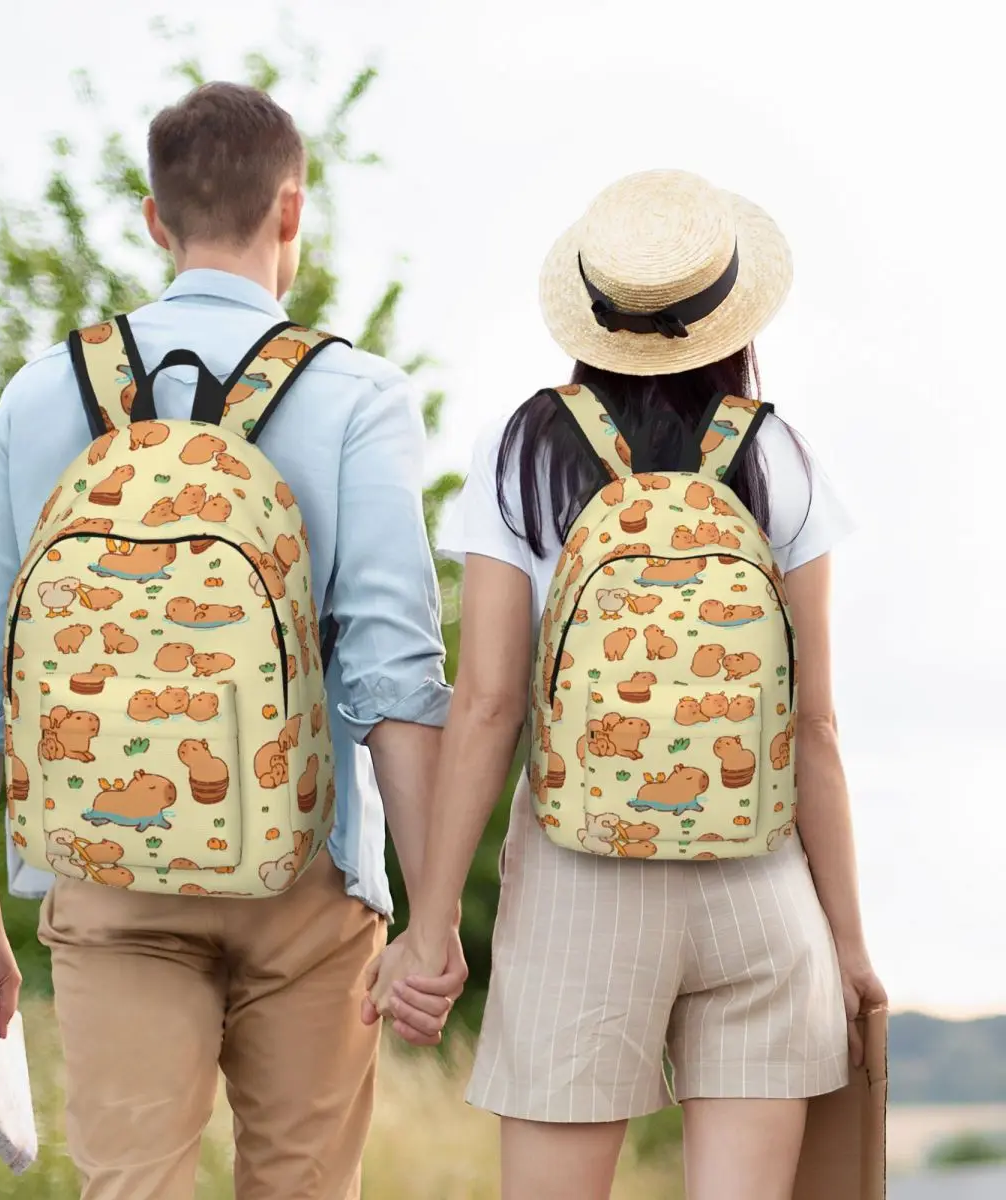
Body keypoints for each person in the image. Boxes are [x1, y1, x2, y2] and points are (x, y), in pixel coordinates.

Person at [0, 81, 464, 1200]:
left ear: (156, 220)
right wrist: (433, 915)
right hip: (308, 874)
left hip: (106, 880)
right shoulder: (356, 395)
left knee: (132, 1186)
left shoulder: (41, 394)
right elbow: (397, 678)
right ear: (291, 213)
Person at [366, 169, 887, 1200]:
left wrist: (430, 928)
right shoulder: (779, 455)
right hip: (761, 882)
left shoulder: (522, 450)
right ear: (730, 314)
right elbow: (816, 724)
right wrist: (849, 944)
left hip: (579, 881)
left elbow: (487, 706)